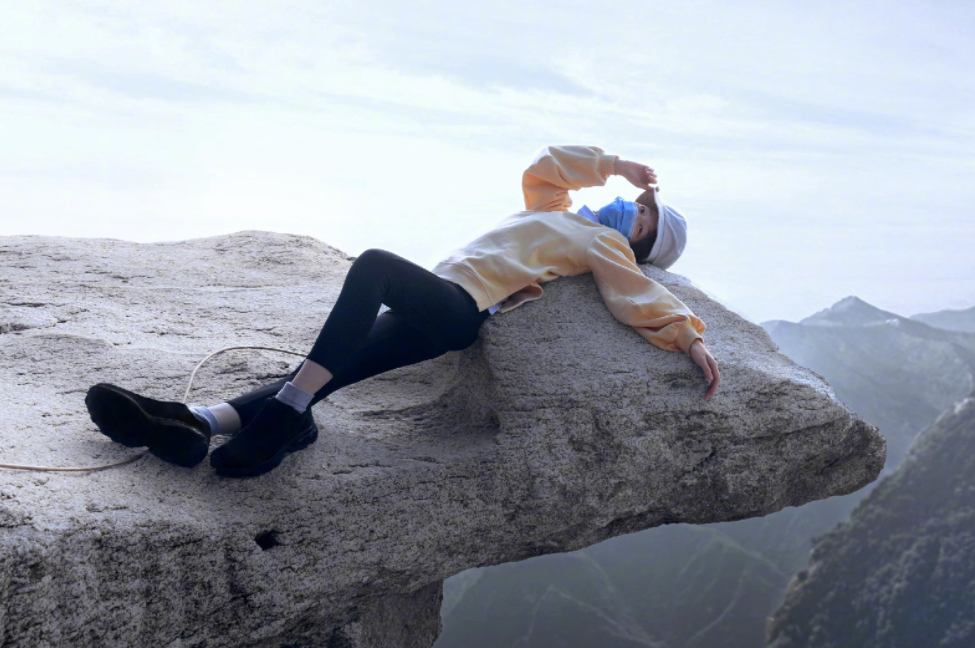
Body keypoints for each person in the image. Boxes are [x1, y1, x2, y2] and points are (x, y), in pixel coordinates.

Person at [85, 145, 721, 477]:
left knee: (375, 266)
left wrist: (688, 338)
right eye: (636, 203)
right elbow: (545, 166)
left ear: (639, 241)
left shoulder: (603, 243)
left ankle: (285, 417)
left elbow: (636, 293)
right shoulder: (554, 212)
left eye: (641, 217)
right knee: (334, 369)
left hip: (460, 309)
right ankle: (196, 422)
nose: (628, 208)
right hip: (438, 309)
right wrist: (615, 165)